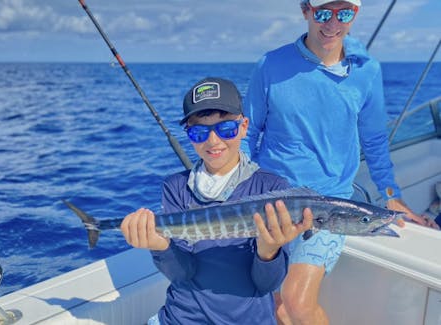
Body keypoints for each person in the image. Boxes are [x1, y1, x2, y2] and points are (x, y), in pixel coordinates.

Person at [242, 0, 440, 324]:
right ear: (305, 10)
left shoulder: (366, 71)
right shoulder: (270, 65)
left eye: (343, 13)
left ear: (355, 15)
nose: (333, 23)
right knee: (276, 305)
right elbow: (248, 136)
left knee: (298, 302)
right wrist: (241, 191)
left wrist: (393, 196)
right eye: (323, 12)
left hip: (327, 205)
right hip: (271, 203)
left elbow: (375, 141)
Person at [120, 77, 313, 324]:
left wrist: (268, 251)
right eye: (199, 132)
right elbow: (183, 274)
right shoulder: (176, 187)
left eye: (226, 129)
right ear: (189, 135)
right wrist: (160, 247)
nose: (213, 141)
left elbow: (267, 284)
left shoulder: (273, 188)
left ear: (244, 127)